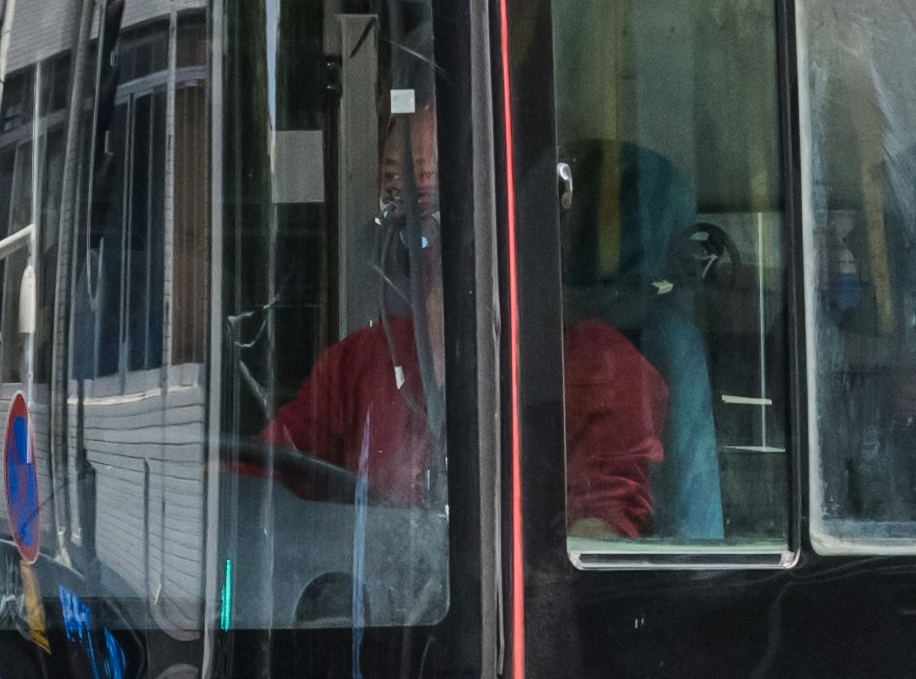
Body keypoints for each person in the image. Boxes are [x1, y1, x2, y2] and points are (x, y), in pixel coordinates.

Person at [266, 102, 664, 536]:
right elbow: (263, 469)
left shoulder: (601, 366)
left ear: (507, 208)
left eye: (428, 186)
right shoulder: (356, 364)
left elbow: (603, 527)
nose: (409, 217)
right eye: (393, 187)